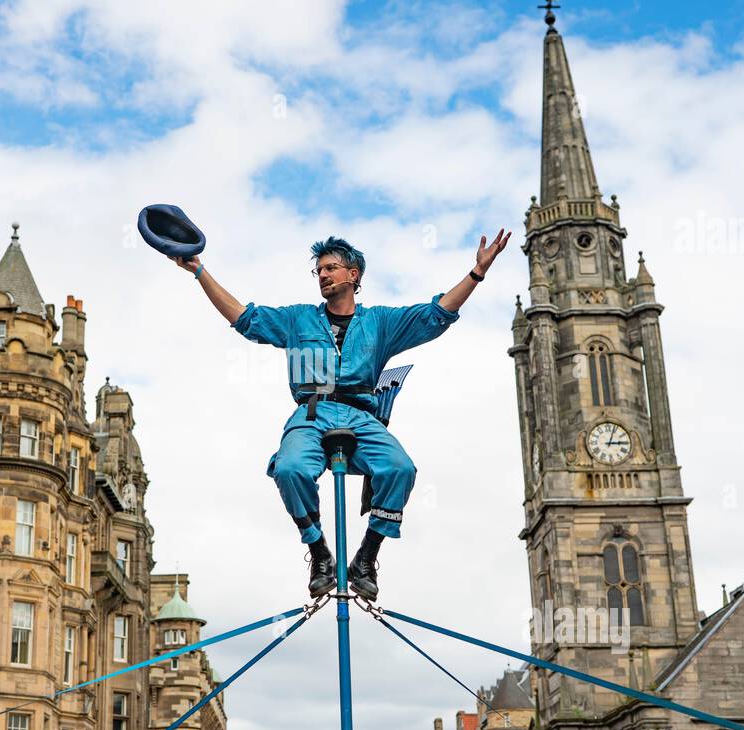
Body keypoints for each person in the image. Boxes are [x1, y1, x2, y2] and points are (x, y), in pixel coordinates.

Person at [176, 230, 510, 600]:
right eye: (319, 270)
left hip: (360, 415)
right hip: (312, 413)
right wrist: (198, 270)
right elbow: (244, 318)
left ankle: (366, 558)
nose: (323, 275)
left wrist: (477, 272)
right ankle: (319, 552)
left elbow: (437, 315)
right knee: (289, 469)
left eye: (331, 268)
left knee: (400, 468)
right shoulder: (298, 320)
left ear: (354, 276)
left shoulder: (380, 323)